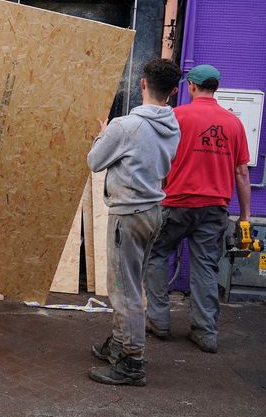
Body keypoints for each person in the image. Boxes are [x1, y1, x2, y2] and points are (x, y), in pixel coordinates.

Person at [85, 58, 182, 387]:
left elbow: (95, 162)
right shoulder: (173, 124)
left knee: (123, 290)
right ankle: (118, 341)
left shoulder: (125, 127)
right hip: (154, 212)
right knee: (133, 284)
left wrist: (103, 135)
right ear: (173, 91)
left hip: (128, 215)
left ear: (142, 84)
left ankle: (131, 361)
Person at [145, 64, 251, 355]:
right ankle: (205, 333)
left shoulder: (177, 116)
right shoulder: (234, 123)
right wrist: (244, 216)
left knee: (156, 255)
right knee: (206, 266)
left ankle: (158, 321)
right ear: (215, 87)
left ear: (191, 86)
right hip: (214, 208)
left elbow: (157, 158)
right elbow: (242, 173)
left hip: (177, 203)